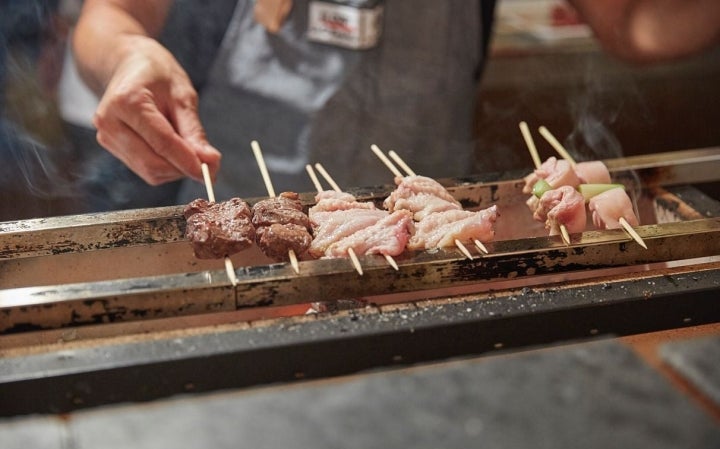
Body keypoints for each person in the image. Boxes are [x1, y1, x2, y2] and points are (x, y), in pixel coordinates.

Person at [70, 0, 720, 208]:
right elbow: (110, 14)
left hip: (428, 240)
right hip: (244, 227)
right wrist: (127, 52)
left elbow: (635, 23)